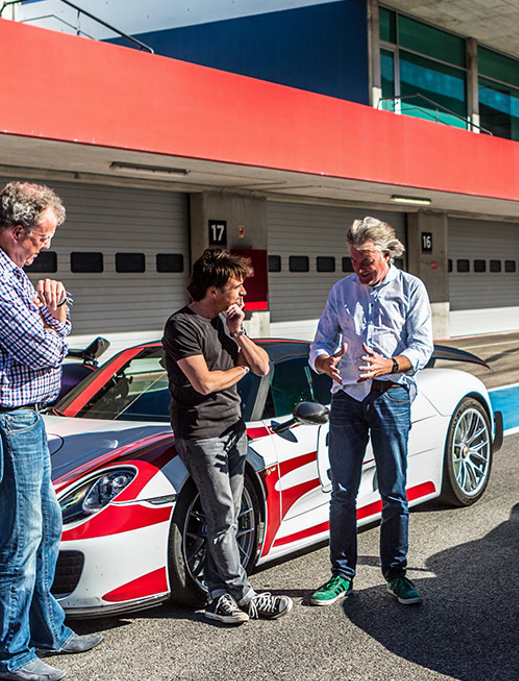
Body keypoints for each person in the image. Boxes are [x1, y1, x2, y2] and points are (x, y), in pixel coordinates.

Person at [0, 181, 102, 681]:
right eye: (41, 237)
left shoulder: (10, 271)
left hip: (20, 415)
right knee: (21, 537)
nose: (45, 247)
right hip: (1, 417)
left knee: (48, 526)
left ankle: (47, 630)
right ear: (17, 231)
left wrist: (52, 303)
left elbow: (42, 326)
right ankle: (10, 654)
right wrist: (57, 318)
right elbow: (40, 350)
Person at [163, 250, 294, 625]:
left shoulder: (225, 323)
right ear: (213, 289)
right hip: (201, 433)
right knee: (221, 514)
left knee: (230, 515)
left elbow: (264, 366)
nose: (243, 292)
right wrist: (240, 368)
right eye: (236, 286)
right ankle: (244, 594)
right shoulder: (182, 325)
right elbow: (203, 383)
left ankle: (219, 596)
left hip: (233, 430)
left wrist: (239, 333)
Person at [307, 217, 433, 607]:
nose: (358, 268)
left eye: (366, 260)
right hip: (346, 398)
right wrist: (324, 360)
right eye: (353, 260)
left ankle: (396, 574)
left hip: (390, 395)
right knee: (342, 492)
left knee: (393, 491)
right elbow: (320, 341)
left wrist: (391, 364)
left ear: (388, 253)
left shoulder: (411, 288)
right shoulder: (341, 291)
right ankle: (340, 575)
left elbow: (423, 347)